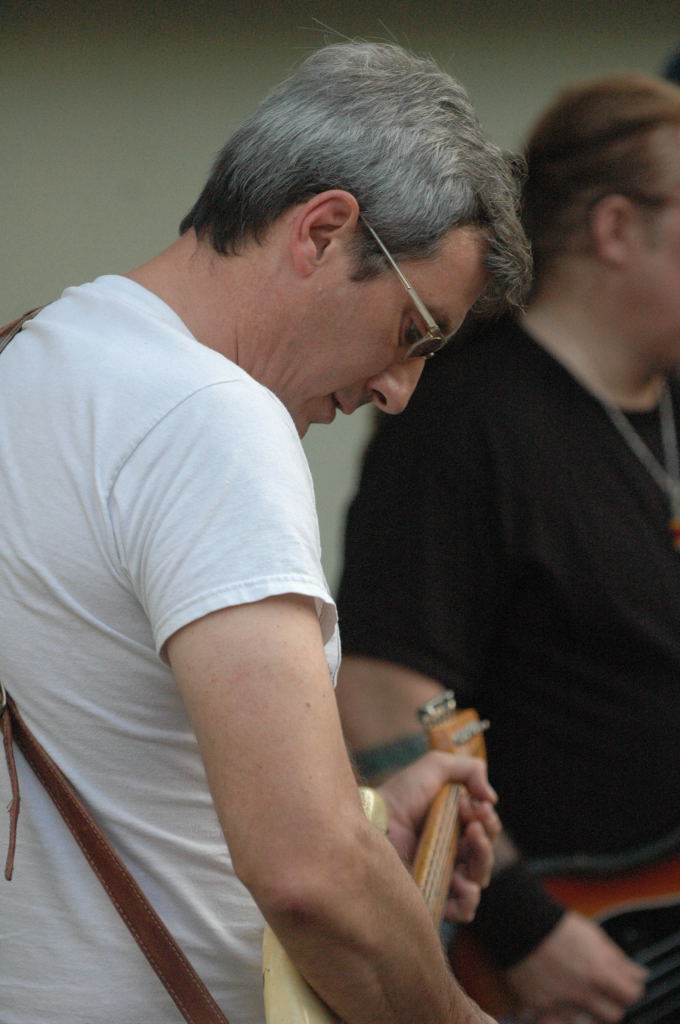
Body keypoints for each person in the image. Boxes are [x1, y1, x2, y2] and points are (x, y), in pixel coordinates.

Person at [0, 41, 531, 1024]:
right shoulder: (213, 420)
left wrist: (365, 826)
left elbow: (114, 752)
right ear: (322, 231)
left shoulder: (32, 356)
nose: (399, 390)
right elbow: (305, 876)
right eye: (413, 332)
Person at [336, 70, 680, 1024]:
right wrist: (525, 928)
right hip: (578, 951)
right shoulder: (464, 422)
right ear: (618, 229)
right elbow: (381, 693)